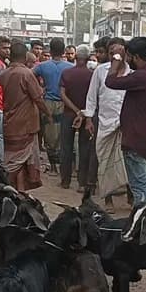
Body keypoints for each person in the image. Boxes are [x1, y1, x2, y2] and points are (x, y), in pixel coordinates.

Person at [104, 37, 146, 205]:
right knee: (142, 181)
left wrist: (116, 59)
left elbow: (111, 81)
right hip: (144, 137)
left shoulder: (142, 77)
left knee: (139, 185)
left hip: (135, 139)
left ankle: (142, 219)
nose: (126, 60)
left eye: (128, 56)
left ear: (136, 57)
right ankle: (144, 216)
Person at [84, 37, 131, 212]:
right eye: (111, 53)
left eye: (118, 52)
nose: (114, 56)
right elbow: (91, 96)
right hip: (104, 124)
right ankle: (108, 200)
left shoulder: (131, 74)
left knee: (127, 163)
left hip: (125, 126)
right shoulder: (100, 72)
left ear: (125, 53)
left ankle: (131, 197)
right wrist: (89, 119)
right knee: (104, 162)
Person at [0, 42, 52, 191]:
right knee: (16, 164)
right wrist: (48, 115)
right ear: (24, 57)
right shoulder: (26, 74)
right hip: (25, 125)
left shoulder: (4, 73)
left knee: (16, 161)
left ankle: (19, 191)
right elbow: (37, 98)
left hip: (9, 122)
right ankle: (5, 189)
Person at [33, 37, 73, 175]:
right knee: (64, 134)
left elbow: (29, 75)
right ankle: (64, 167)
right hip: (65, 103)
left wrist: (40, 89)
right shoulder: (70, 67)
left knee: (49, 135)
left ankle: (54, 167)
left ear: (50, 50)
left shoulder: (42, 66)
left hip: (48, 103)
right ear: (63, 51)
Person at [59, 44, 94, 191]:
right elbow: (93, 96)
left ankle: (65, 181)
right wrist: (82, 112)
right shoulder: (92, 75)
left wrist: (74, 110)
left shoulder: (66, 73)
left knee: (66, 147)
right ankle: (82, 183)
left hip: (68, 114)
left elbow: (62, 94)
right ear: (87, 58)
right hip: (87, 115)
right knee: (84, 148)